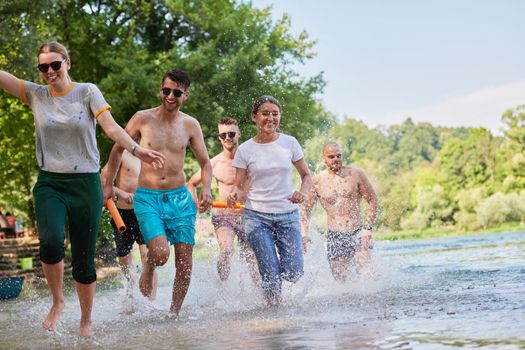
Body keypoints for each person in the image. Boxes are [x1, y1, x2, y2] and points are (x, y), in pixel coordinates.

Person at [0, 42, 165, 336]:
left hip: (86, 183)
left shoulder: (87, 91)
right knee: (50, 243)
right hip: (51, 182)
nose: (49, 71)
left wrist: (137, 150)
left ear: (67, 63)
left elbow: (112, 128)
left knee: (84, 260)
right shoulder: (36, 95)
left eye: (55, 64)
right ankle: (57, 301)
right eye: (43, 67)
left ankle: (86, 321)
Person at [101, 69, 213, 315]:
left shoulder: (190, 124)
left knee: (185, 264)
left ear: (186, 95)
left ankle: (174, 313)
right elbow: (118, 148)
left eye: (177, 92)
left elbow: (205, 163)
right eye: (166, 90)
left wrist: (206, 187)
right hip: (149, 198)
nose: (170, 96)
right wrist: (108, 183)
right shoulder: (142, 118)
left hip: (179, 199)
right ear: (160, 90)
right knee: (161, 255)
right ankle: (150, 265)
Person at [227, 95, 312, 306]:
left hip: (288, 214)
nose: (270, 118)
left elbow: (306, 176)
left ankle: (275, 298)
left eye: (275, 114)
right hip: (256, 217)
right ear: (254, 117)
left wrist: (302, 192)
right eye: (265, 113)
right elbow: (238, 185)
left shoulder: (289, 143)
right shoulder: (245, 149)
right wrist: (234, 194)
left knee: (294, 272)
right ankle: (275, 312)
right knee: (270, 272)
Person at [187, 117, 259, 283]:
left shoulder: (251, 159)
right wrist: (197, 202)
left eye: (231, 134)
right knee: (226, 251)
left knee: (252, 258)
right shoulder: (214, 163)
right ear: (219, 137)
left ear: (239, 134)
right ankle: (223, 292)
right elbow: (190, 183)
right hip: (224, 216)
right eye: (223, 135)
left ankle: (261, 297)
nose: (227, 138)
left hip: (250, 215)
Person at [300, 142, 379, 282]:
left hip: (357, 231)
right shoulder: (317, 181)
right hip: (334, 236)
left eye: (339, 156)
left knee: (368, 275)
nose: (336, 159)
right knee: (341, 282)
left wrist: (367, 228)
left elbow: (373, 200)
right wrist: (304, 234)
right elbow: (305, 211)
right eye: (331, 157)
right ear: (323, 158)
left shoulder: (356, 174)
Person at [103, 150, 157, 299]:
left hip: (145, 212)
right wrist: (121, 193)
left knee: (148, 256)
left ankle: (151, 301)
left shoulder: (153, 155)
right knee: (124, 261)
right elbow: (103, 180)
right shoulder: (122, 154)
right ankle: (132, 282)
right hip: (122, 214)